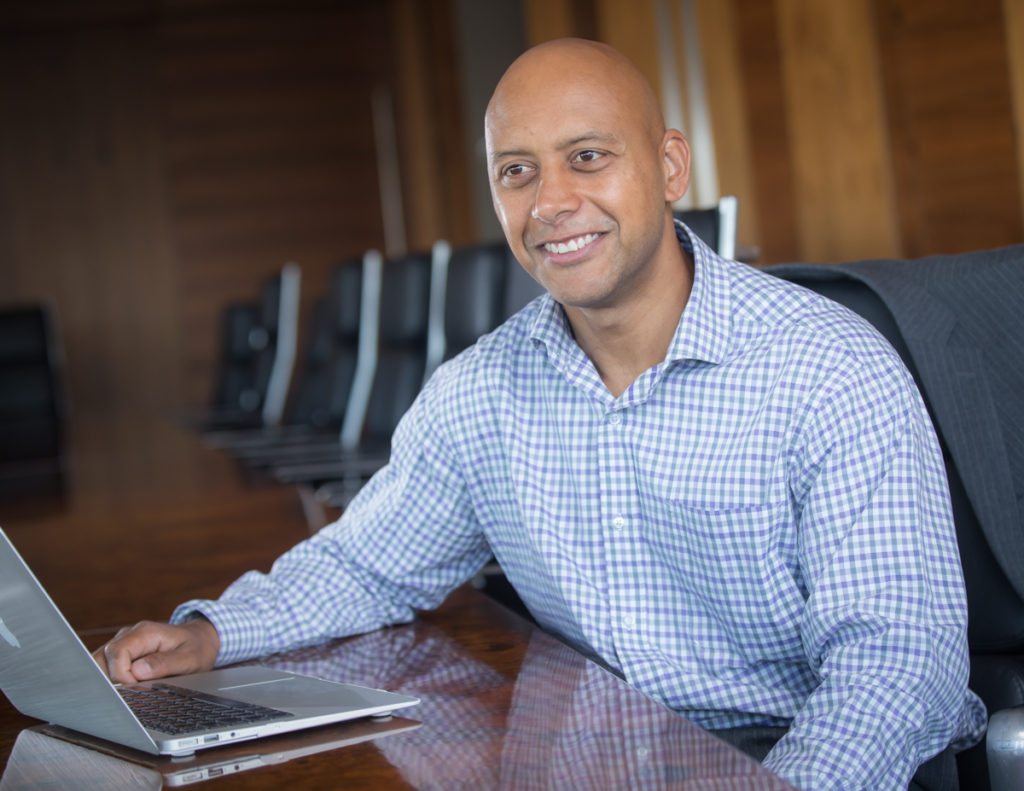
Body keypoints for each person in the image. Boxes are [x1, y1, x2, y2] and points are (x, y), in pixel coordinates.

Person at [96, 39, 985, 789]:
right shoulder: (481, 391)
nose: (552, 202)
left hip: (783, 756)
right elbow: (369, 565)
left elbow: (900, 660)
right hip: (592, 749)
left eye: (588, 156)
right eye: (517, 171)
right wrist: (212, 634)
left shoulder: (824, 364)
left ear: (670, 165)